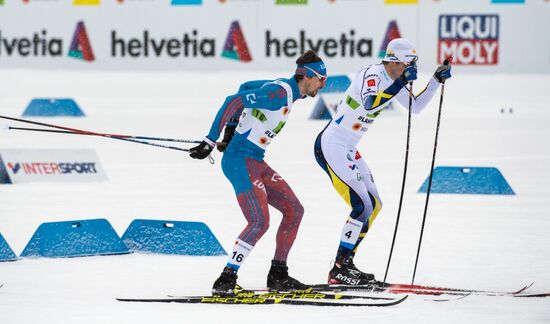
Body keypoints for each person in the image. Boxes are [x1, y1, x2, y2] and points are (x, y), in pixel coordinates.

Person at [313, 38, 451, 285]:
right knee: (361, 205)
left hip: (347, 147)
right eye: (409, 63)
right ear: (396, 61)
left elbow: (416, 107)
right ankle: (338, 269)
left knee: (374, 205)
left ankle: (347, 262)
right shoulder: (373, 74)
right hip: (331, 144)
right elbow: (369, 102)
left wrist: (435, 81)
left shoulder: (394, 81)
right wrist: (400, 83)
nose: (412, 68)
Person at [189, 50, 327, 295]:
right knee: (259, 222)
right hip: (239, 161)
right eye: (321, 79)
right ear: (306, 76)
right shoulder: (278, 94)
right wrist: (211, 140)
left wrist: (231, 130)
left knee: (294, 211)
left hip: (256, 161)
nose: (323, 84)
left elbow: (245, 87)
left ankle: (278, 275)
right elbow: (233, 101)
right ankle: (226, 279)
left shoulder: (286, 90)